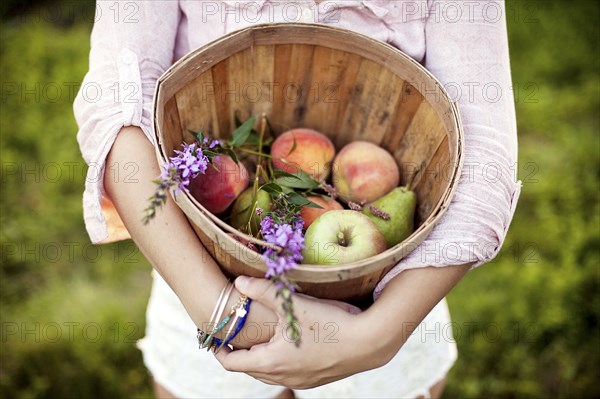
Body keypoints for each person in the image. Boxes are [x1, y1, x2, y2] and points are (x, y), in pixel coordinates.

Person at [74, 1, 521, 398]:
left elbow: (483, 155)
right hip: (196, 272)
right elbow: (116, 102)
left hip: (393, 299)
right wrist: (220, 310)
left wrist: (377, 335)